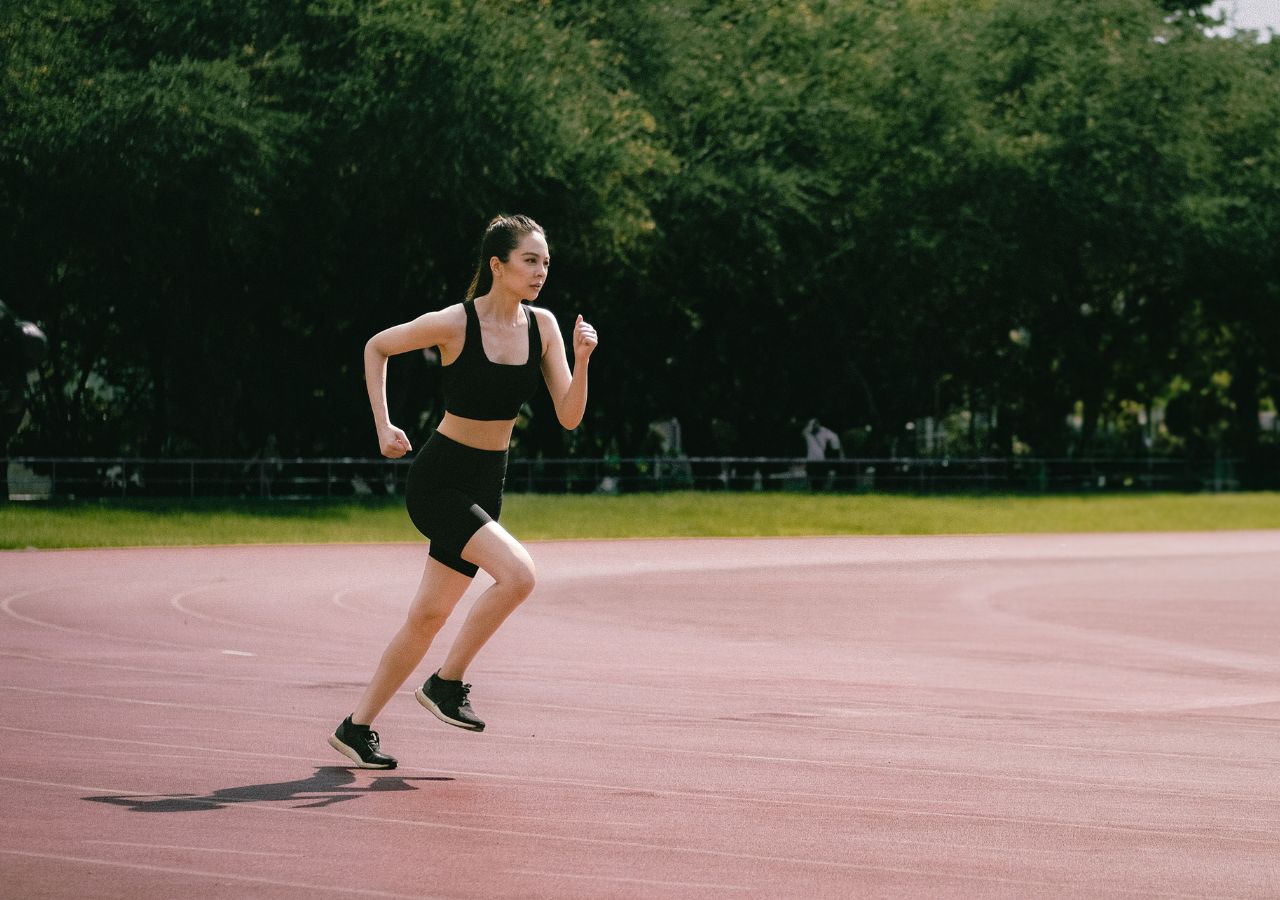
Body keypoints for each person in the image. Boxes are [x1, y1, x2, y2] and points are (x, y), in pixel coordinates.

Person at [329, 214, 597, 769]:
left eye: (546, 262)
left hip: (486, 482)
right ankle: (446, 683)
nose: (541, 271)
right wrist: (383, 425)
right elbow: (377, 347)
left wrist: (582, 359)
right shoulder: (456, 322)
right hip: (439, 480)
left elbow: (569, 416)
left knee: (427, 617)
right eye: (530, 260)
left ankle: (356, 727)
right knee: (519, 575)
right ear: (497, 265)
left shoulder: (544, 327)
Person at [802, 418, 843, 491]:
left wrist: (835, 447)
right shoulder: (808, 434)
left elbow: (834, 437)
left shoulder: (824, 431)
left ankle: (820, 491)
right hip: (811, 461)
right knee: (811, 480)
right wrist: (811, 424)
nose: (815, 426)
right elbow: (804, 432)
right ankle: (812, 491)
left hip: (821, 460)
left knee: (821, 480)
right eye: (813, 424)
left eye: (816, 424)